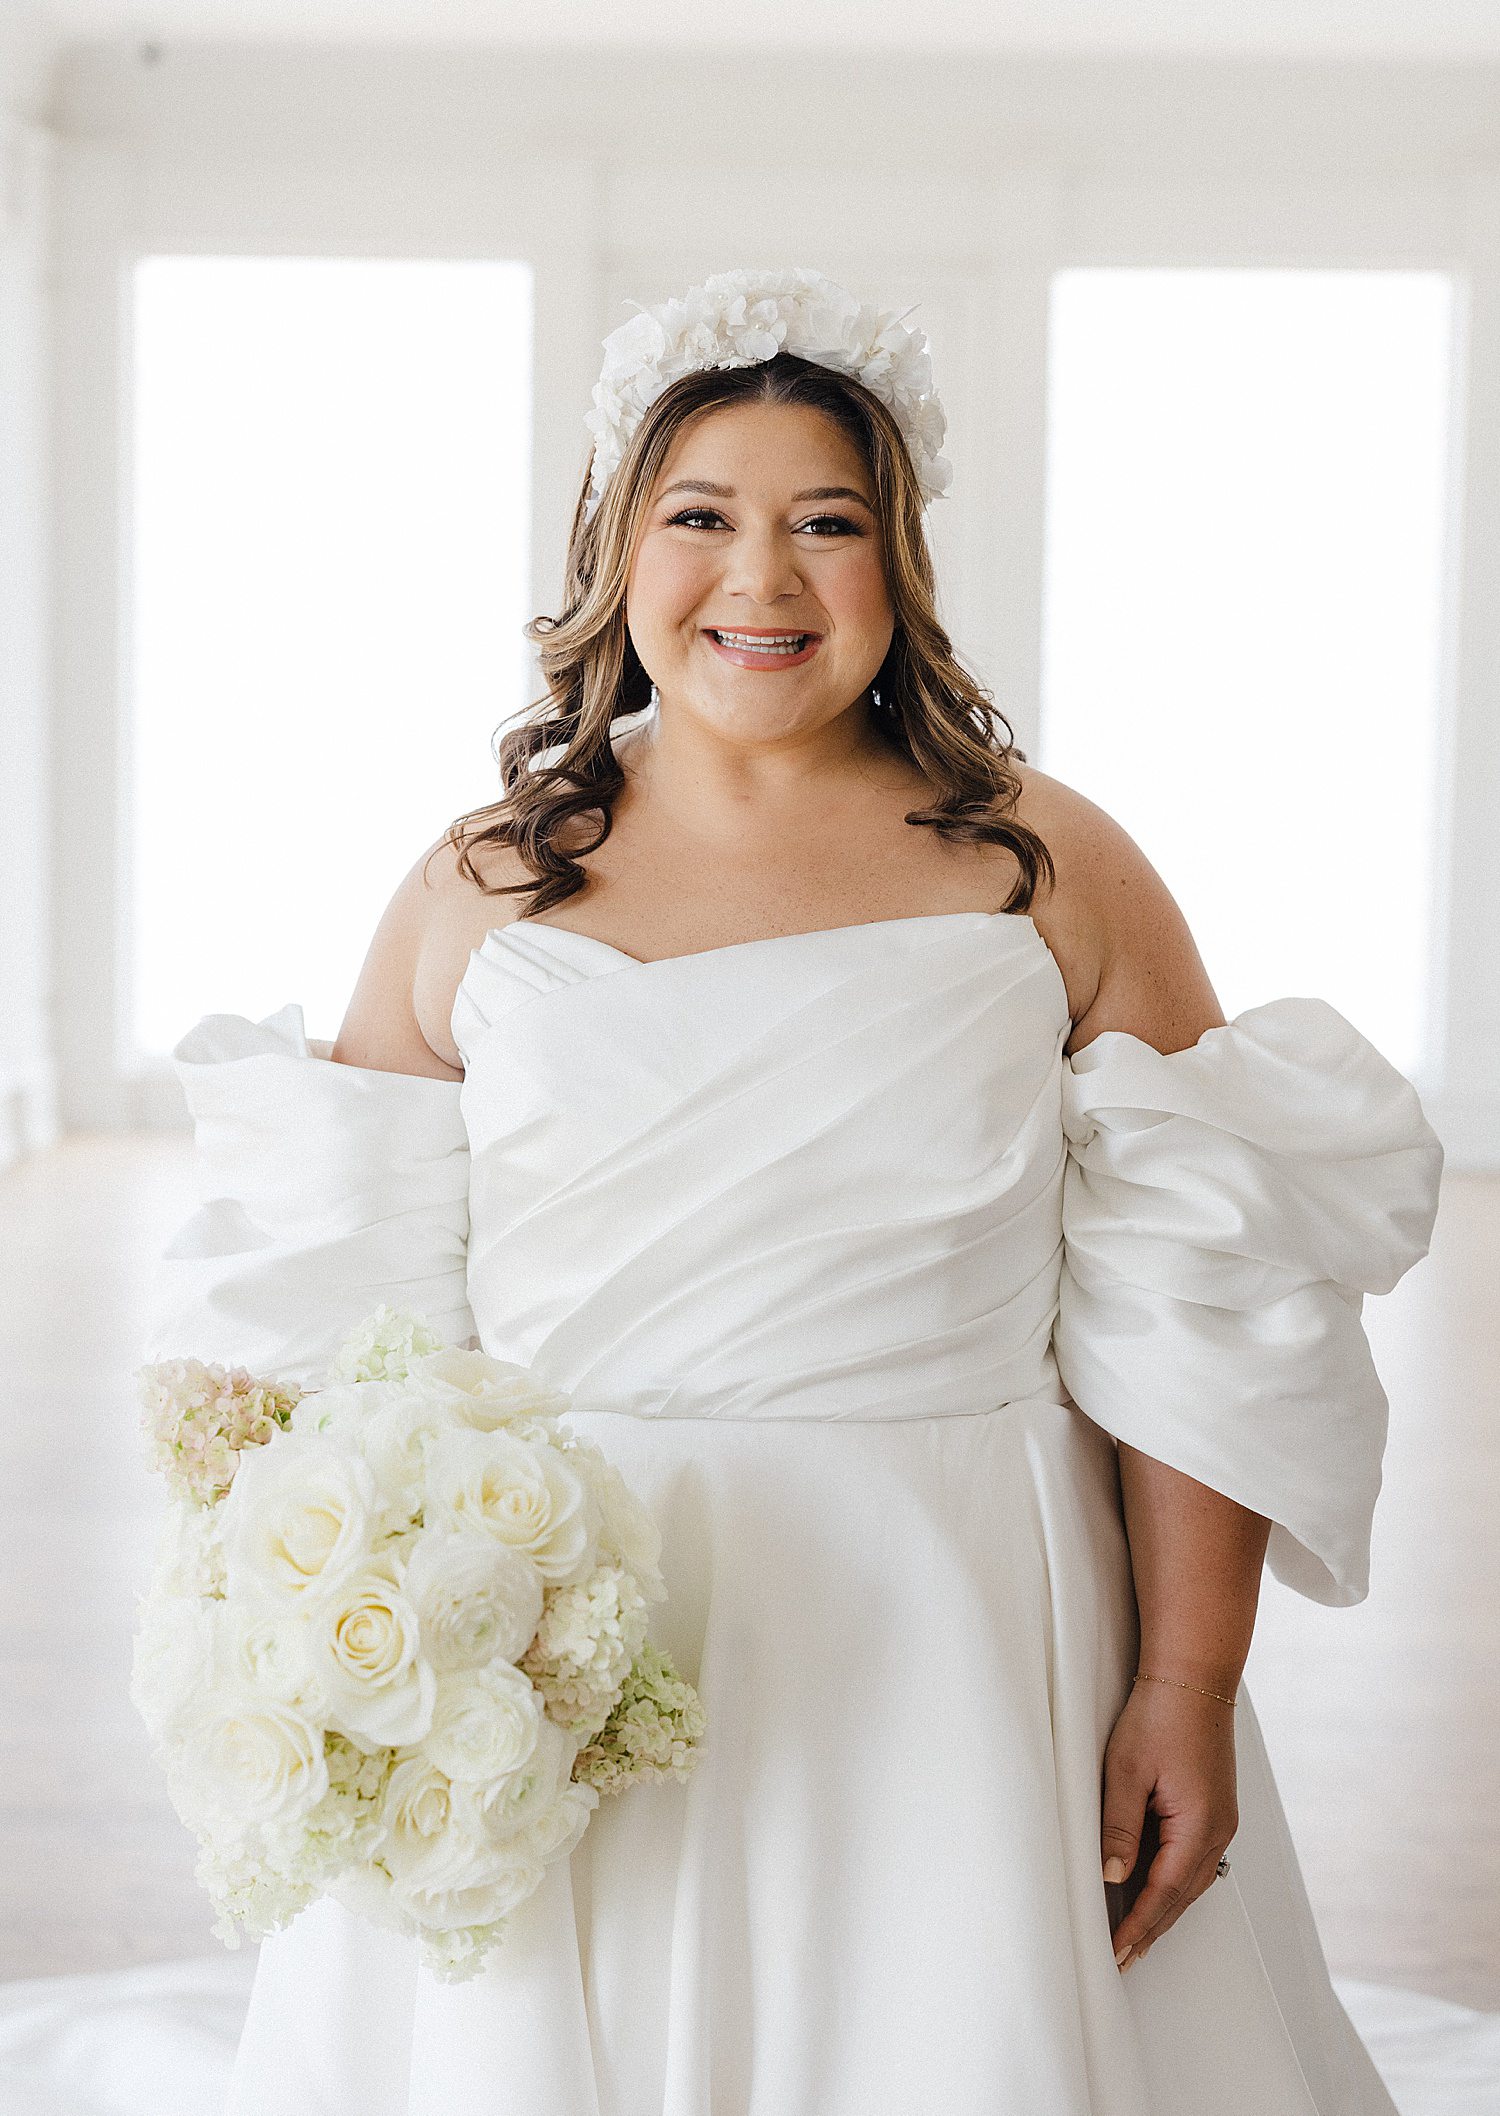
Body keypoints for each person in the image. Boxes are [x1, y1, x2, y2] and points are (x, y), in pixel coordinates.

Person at [146, 267, 1445, 2115]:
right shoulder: (486, 880)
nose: (761, 579)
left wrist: (1187, 1681)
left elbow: (1204, 1314)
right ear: (617, 547)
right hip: (564, 1623)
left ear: (899, 562)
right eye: (703, 518)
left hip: (956, 1617)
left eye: (825, 523)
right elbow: (342, 1312)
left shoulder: (1047, 864)